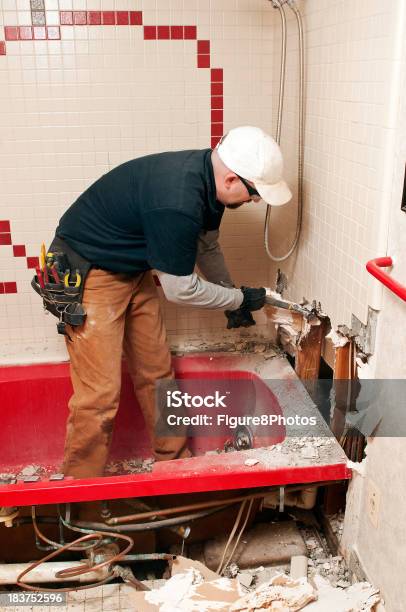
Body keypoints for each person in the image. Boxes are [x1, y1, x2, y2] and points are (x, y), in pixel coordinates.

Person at [44, 125, 292, 479]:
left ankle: (175, 467)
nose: (254, 201)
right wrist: (240, 297)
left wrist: (228, 296)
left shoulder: (209, 182)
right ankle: (78, 497)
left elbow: (206, 245)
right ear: (232, 180)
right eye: (254, 193)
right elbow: (181, 289)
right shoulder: (178, 201)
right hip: (90, 273)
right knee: (99, 395)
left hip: (132, 269)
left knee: (157, 374)